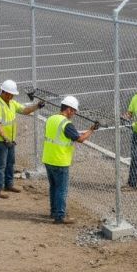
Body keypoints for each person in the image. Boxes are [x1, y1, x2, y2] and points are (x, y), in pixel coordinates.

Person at [42, 95, 98, 224]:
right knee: (61, 189)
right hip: (60, 161)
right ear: (68, 109)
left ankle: (54, 211)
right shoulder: (66, 124)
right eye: (73, 111)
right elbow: (80, 139)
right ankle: (60, 216)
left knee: (53, 187)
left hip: (48, 158)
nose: (74, 114)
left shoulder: (51, 119)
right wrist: (91, 130)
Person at [0, 79, 44, 198]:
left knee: (10, 163)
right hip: (0, 140)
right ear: (3, 92)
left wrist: (37, 106)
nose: (11, 96)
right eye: (10, 94)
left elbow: (24, 110)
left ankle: (8, 184)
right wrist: (5, 138)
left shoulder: (12, 103)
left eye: (12, 94)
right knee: (1, 164)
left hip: (10, 139)